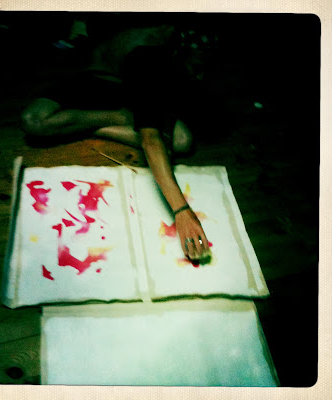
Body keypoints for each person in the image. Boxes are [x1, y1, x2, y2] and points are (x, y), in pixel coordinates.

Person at [21, 14, 210, 262]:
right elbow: (151, 141)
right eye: (196, 68)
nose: (200, 77)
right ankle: (117, 117)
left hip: (132, 87)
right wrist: (182, 210)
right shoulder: (150, 59)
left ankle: (99, 124)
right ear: (181, 53)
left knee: (182, 140)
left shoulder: (173, 43)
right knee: (33, 120)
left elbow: (167, 95)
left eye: (205, 69)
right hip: (96, 82)